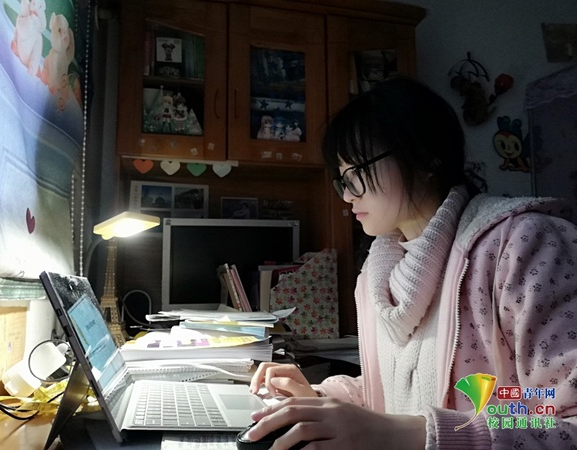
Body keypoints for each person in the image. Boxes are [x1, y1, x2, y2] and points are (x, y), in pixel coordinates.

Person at [247, 77, 577, 449]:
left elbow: (563, 421)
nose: (347, 196)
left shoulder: (522, 245)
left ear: (424, 155)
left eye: (357, 173)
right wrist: (321, 399)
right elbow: (397, 395)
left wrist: (417, 435)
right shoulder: (378, 274)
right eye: (342, 180)